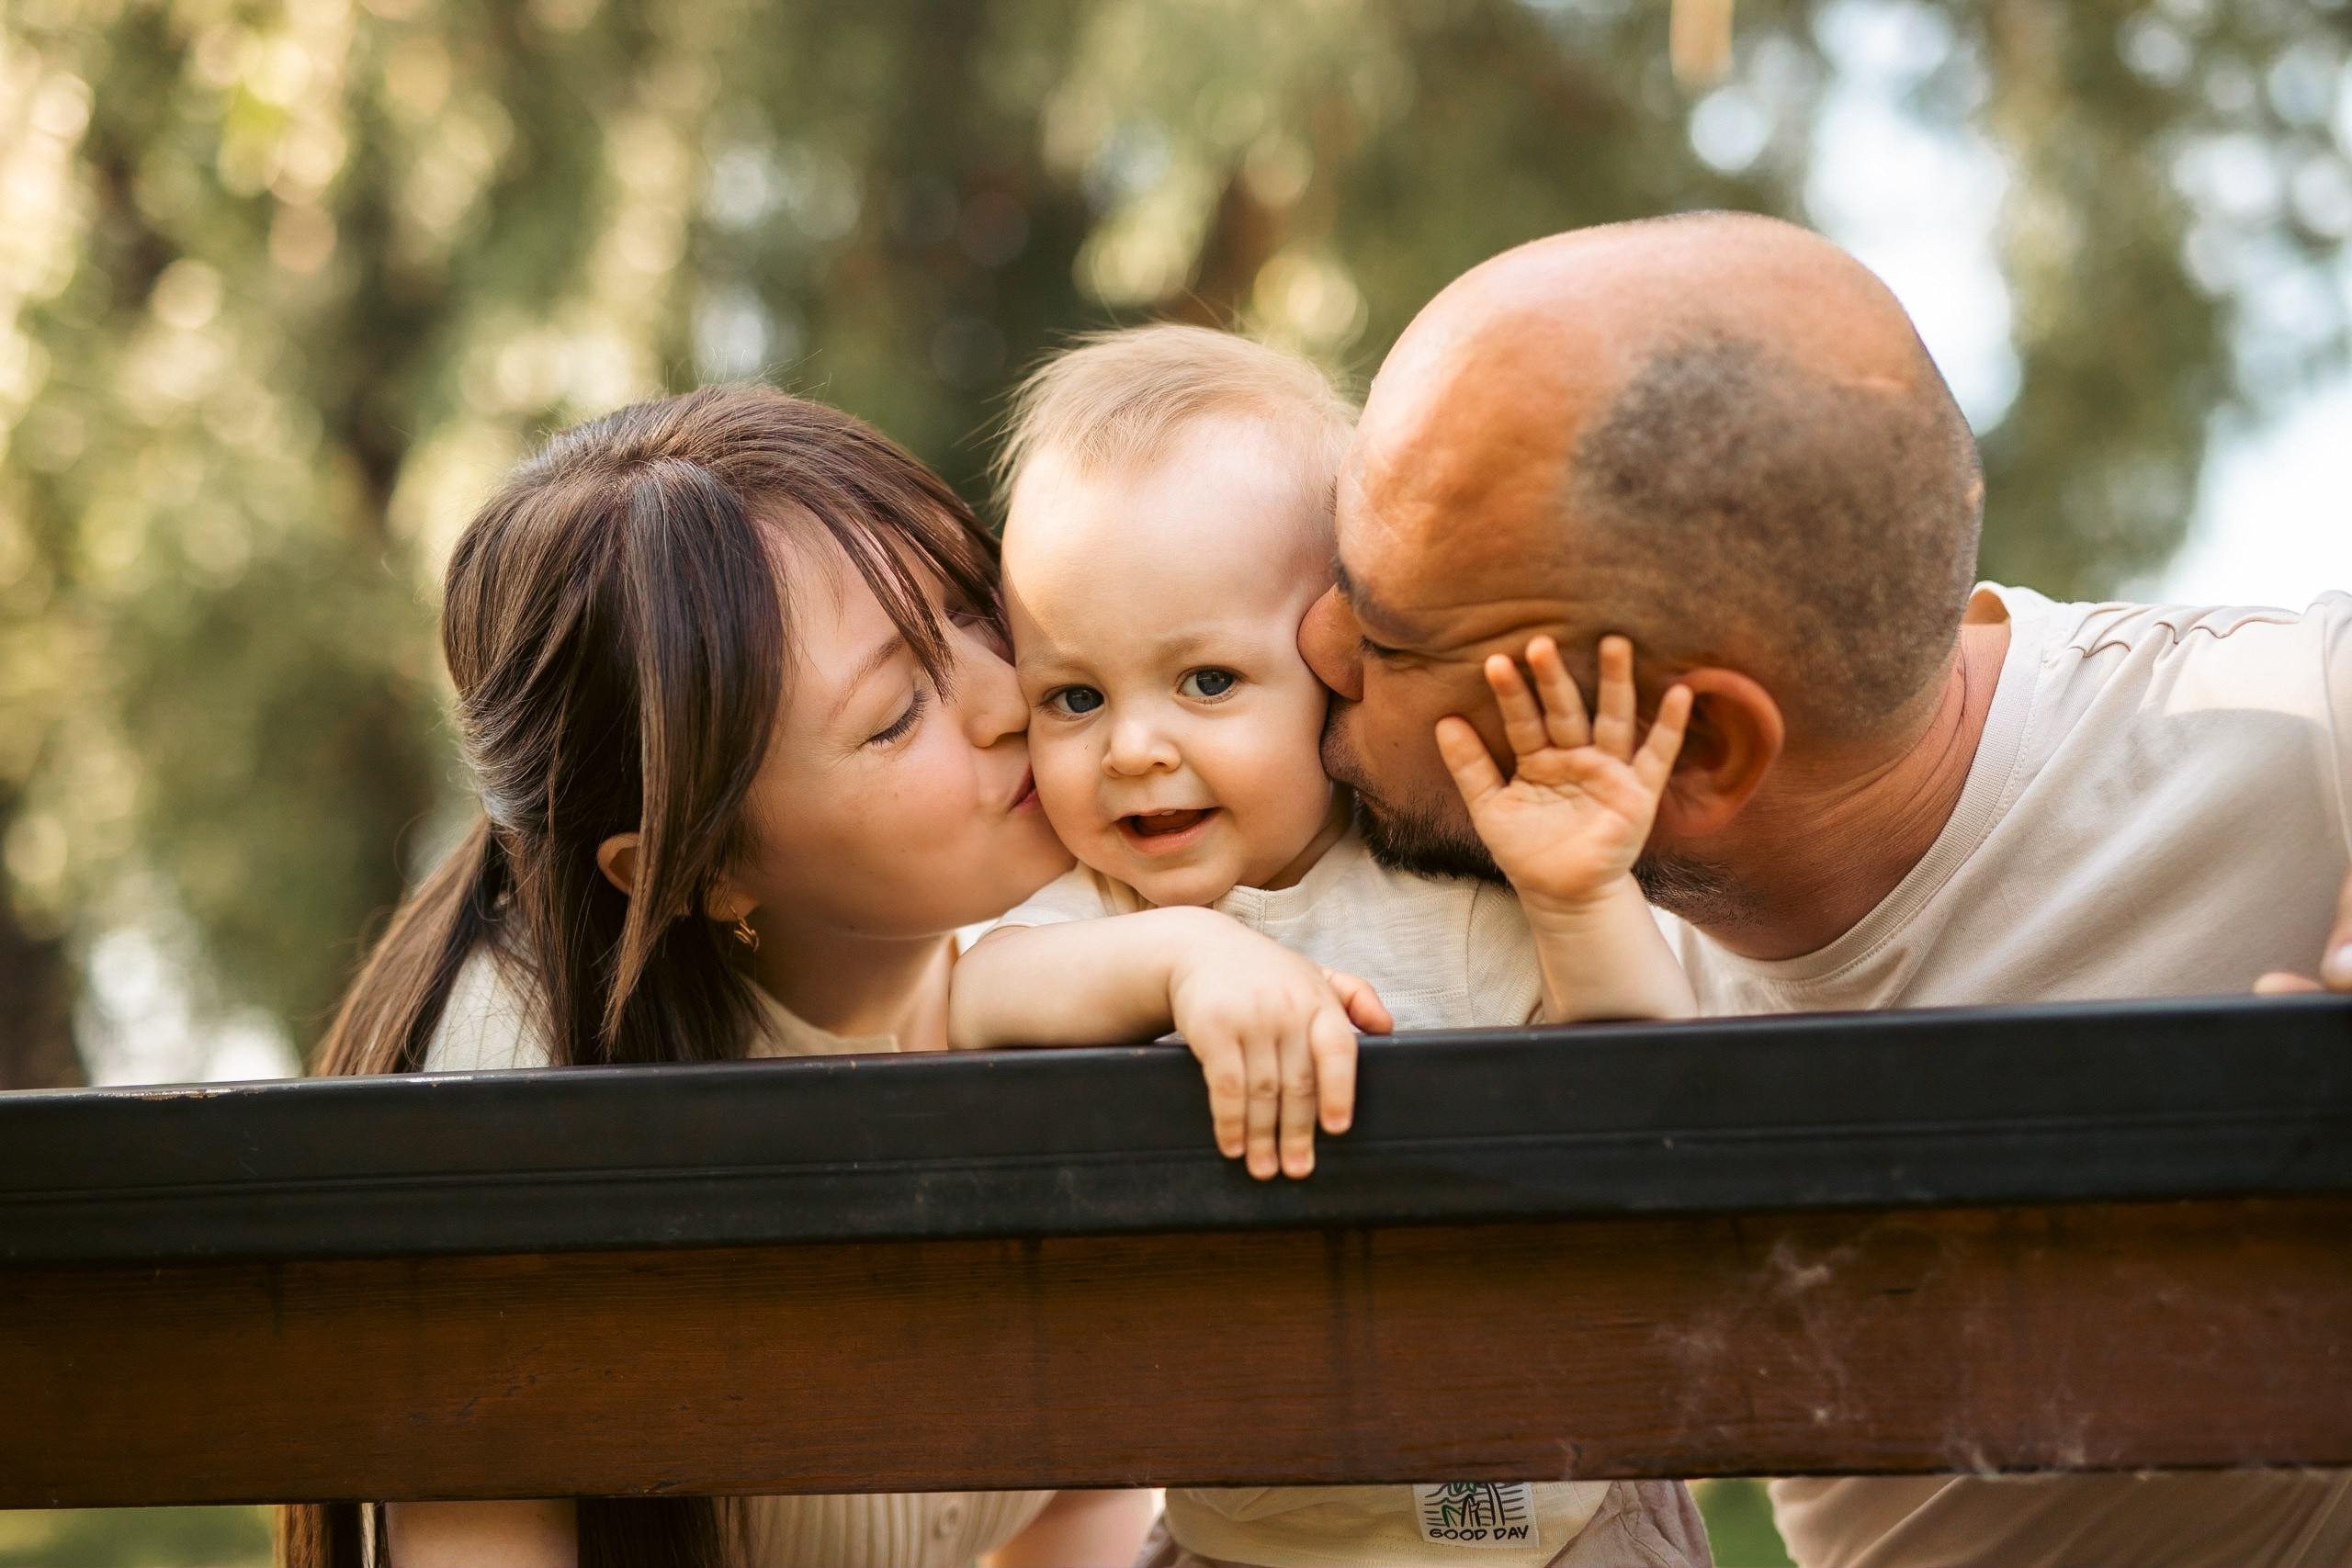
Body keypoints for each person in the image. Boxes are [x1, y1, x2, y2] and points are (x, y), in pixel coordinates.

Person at [1299, 209, 2352, 1568]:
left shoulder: (2283, 733)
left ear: (1701, 751)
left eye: (1389, 633)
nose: (1314, 637)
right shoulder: (1437, 925)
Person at [285, 384, 1157, 1568]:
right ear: (689, 872)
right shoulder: (514, 1091)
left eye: (972, 605)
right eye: (897, 714)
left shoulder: (1099, 926)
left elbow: (1083, 1491)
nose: (1009, 699)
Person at [951, 325, 1711, 1568]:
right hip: (1243, 1540)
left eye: (1205, 681)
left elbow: (1653, 1094)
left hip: (1550, 1530)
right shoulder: (1103, 911)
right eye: (1073, 698)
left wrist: (1580, 901)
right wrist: (1188, 957)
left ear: (1335, 666)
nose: (1133, 747)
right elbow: (978, 994)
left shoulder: (1444, 883)